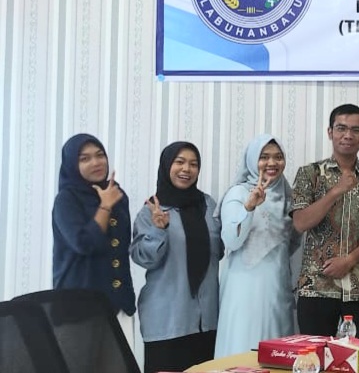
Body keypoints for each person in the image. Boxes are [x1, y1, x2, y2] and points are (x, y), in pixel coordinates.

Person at [291, 104, 359, 339]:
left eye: (356, 130)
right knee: (315, 354)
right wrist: (336, 191)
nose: (348, 135)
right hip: (317, 286)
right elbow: (300, 223)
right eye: (341, 128)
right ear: (330, 132)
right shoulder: (309, 174)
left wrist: (350, 260)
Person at [131, 141, 223, 373]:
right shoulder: (152, 209)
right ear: (166, 166)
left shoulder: (208, 205)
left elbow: (219, 250)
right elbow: (143, 258)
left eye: (193, 164)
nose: (186, 169)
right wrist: (158, 230)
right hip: (167, 320)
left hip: (207, 320)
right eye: (179, 162)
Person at [214, 135, 301, 357]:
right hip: (244, 288)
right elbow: (231, 241)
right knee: (244, 348)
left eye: (278, 157)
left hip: (278, 287)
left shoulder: (287, 195)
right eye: (264, 157)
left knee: (278, 351)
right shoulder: (238, 193)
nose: (272, 163)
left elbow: (293, 242)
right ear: (252, 160)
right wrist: (249, 207)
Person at [52, 133, 136, 318]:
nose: (96, 162)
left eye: (100, 155)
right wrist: (105, 206)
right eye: (85, 159)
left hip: (119, 303)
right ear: (72, 165)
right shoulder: (67, 199)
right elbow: (84, 244)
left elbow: (121, 249)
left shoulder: (116, 194)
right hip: (79, 306)